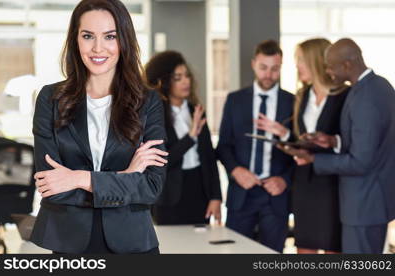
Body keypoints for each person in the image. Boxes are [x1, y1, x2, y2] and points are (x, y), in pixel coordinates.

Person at [30, 0, 167, 254]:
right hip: (70, 243)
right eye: (88, 36)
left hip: (133, 244)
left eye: (110, 36)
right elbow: (52, 187)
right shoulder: (50, 98)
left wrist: (78, 178)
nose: (97, 48)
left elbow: (151, 187)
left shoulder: (147, 102)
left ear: (124, 41)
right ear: (75, 40)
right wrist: (126, 177)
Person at [286, 38, 395, 253]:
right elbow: (370, 141)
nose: (327, 71)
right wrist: (333, 141)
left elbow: (361, 162)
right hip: (371, 201)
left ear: (347, 65)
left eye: (330, 66)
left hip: (364, 204)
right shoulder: (376, 85)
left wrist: (314, 159)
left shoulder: (366, 97)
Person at [256, 38, 349, 253]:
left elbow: (349, 140)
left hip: (331, 185)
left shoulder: (344, 95)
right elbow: (302, 137)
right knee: (304, 249)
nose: (297, 65)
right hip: (304, 184)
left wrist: (330, 142)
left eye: (300, 60)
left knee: (332, 248)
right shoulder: (302, 95)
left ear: (315, 61)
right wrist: (283, 134)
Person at [216, 40, 294, 253]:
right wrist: (235, 170)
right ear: (253, 64)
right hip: (241, 194)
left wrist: (285, 181)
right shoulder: (235, 100)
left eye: (275, 68)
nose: (268, 74)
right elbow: (223, 146)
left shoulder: (293, 102)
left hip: (275, 196)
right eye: (263, 67)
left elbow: (301, 152)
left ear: (281, 67)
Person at [145, 50, 222, 225]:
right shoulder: (154, 116)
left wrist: (216, 196)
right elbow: (161, 161)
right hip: (168, 196)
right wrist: (190, 136)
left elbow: (209, 158)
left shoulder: (196, 111)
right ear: (163, 81)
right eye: (177, 78)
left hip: (199, 191)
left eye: (187, 76)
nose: (186, 81)